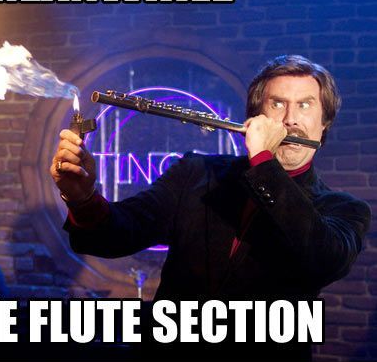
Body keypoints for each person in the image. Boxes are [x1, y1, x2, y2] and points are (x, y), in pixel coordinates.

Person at [50, 55, 371, 300]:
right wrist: (82, 198)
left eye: (305, 105)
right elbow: (115, 236)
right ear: (255, 117)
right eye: (277, 104)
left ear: (324, 123)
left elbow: (322, 260)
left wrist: (263, 161)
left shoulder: (344, 210)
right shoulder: (196, 173)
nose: (290, 120)